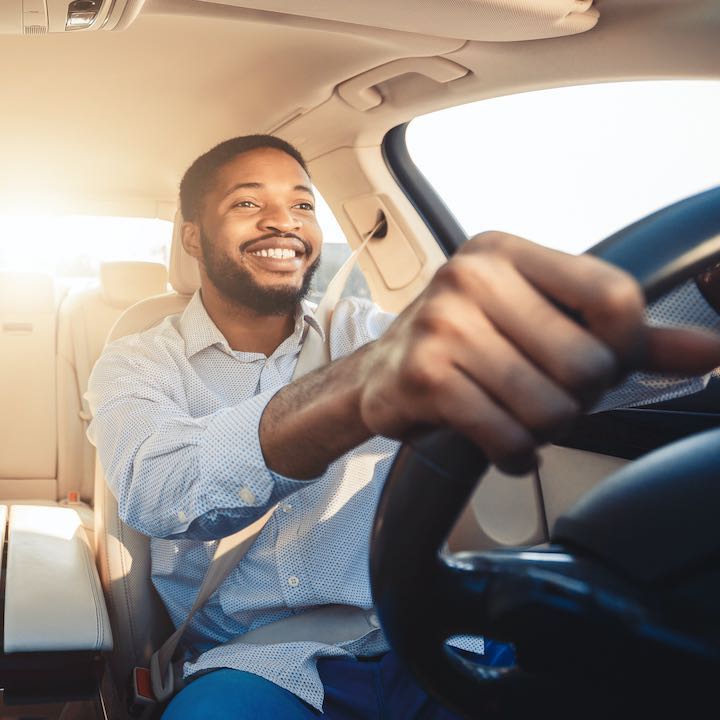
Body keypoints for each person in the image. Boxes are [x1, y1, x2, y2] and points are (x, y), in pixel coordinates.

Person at [87, 135, 720, 719]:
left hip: (427, 631)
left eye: (303, 205)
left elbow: (552, 365)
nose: (283, 221)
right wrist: (355, 391)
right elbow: (161, 488)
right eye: (248, 203)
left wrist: (703, 292)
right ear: (193, 238)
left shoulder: (365, 330)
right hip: (255, 665)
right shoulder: (137, 361)